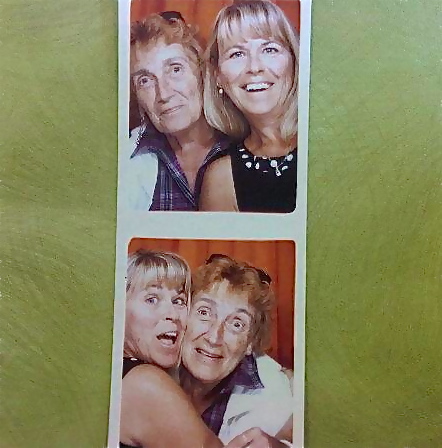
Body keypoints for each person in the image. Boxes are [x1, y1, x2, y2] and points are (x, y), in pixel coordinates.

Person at [180, 254, 294, 447]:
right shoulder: (150, 366)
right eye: (204, 312)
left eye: (237, 324)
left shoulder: (276, 399)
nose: (214, 337)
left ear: (251, 342)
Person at [200, 0, 299, 213]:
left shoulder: (328, 141)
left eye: (269, 49)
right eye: (237, 54)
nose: (254, 67)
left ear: (294, 61)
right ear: (218, 76)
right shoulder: (221, 178)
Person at [126, 13, 231, 211]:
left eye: (175, 69)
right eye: (145, 81)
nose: (164, 94)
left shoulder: (244, 147)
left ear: (203, 73)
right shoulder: (125, 158)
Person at [120, 250, 223, 448]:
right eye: (152, 299)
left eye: (179, 301)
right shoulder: (145, 383)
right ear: (119, 308)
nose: (173, 314)